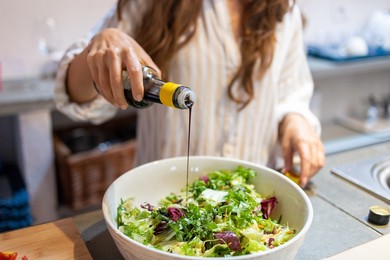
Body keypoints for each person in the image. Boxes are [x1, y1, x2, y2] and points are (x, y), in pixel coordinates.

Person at [54, 0, 325, 188]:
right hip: (162, 203)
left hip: (252, 201)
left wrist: (296, 122)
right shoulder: (153, 5)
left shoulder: (283, 10)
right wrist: (100, 46)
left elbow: (290, 94)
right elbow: (79, 98)